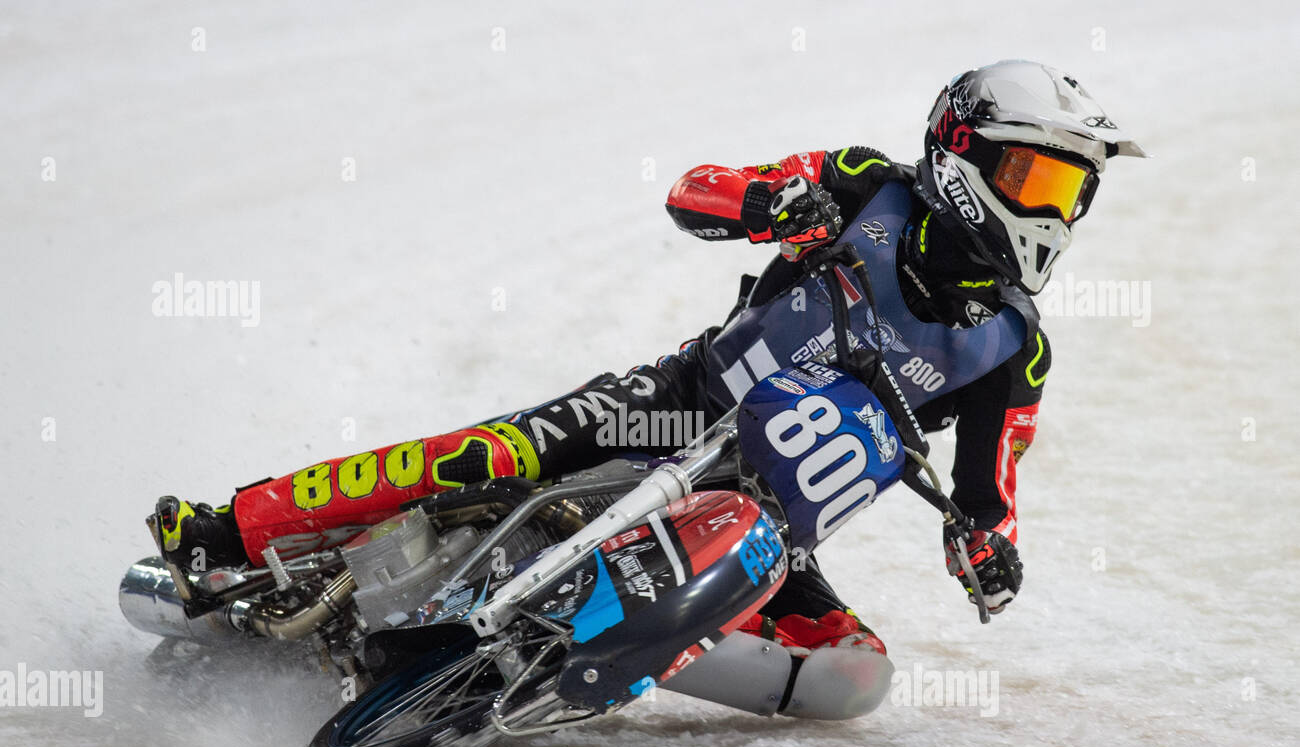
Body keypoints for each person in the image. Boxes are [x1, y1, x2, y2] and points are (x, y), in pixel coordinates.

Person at [152, 60, 1143, 673]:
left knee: (853, 673)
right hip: (675, 409)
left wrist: (985, 548)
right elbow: (698, 189)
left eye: (1072, 191)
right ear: (959, 152)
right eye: (1036, 178)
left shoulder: (1016, 349)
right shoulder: (862, 185)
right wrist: (763, 209)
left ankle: (600, 644)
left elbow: (988, 490)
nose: (1053, 212)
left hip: (769, 528)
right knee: (493, 453)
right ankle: (230, 528)